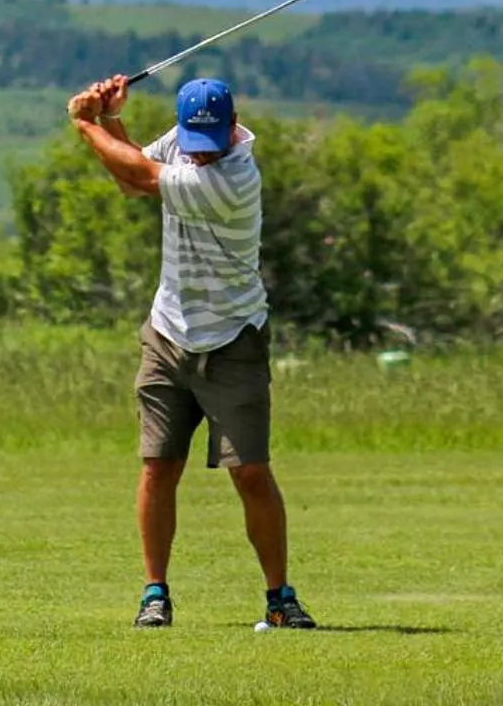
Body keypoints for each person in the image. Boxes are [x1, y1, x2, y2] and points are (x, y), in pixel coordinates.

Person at [65, 72, 317, 631]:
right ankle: (154, 592)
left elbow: (139, 174)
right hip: (168, 333)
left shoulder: (233, 179)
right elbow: (133, 177)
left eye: (209, 147)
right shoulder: (182, 144)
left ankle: (279, 598)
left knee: (250, 472)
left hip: (233, 339)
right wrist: (110, 119)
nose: (199, 157)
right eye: (193, 146)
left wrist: (84, 123)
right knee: (158, 467)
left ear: (233, 128)